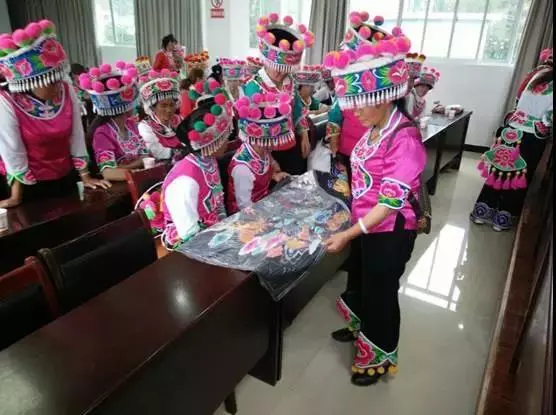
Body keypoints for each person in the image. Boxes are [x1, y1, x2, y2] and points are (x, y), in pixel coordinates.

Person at [323, 11, 424, 387]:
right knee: (363, 281)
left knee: (381, 294)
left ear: (384, 97)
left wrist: (347, 234)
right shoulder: (376, 127)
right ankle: (359, 326)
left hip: (389, 230)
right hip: (365, 225)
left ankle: (378, 355)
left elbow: (389, 204)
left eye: (362, 103)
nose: (356, 112)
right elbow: (363, 178)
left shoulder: (404, 138)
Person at [0, 19, 109, 208]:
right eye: (50, 81)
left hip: (65, 176)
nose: (58, 85)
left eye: (59, 78)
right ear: (32, 82)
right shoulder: (6, 101)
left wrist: (85, 177)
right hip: (29, 184)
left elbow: (76, 135)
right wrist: (16, 196)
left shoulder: (66, 90)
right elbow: (12, 151)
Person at [470, 48, 553, 231]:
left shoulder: (535, 73)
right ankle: (502, 219)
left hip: (513, 128)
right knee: (520, 176)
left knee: (500, 171)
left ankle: (482, 212)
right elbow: (550, 116)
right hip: (532, 133)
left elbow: (518, 99)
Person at [160, 79, 234, 249]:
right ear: (212, 143)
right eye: (224, 137)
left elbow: (218, 204)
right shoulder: (186, 181)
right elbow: (189, 235)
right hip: (189, 243)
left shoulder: (208, 161)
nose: (227, 141)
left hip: (214, 231)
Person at [242, 12, 315, 175]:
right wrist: (269, 160)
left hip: (292, 146)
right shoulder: (254, 86)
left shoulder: (290, 81)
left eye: (286, 70)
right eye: (278, 68)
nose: (282, 74)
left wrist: (304, 134)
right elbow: (251, 129)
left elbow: (297, 110)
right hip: (267, 152)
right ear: (267, 61)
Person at [80, 61, 148, 181]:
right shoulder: (102, 133)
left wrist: (125, 167)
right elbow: (109, 172)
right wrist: (137, 171)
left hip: (134, 178)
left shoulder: (131, 125)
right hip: (122, 185)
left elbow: (145, 156)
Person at [227, 92, 291, 213]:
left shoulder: (262, 150)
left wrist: (274, 176)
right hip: (247, 215)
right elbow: (244, 206)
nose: (275, 144)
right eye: (273, 140)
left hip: (264, 202)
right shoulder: (242, 168)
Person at [137, 69, 184, 164]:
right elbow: (157, 152)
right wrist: (184, 151)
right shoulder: (145, 126)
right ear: (153, 107)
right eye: (163, 105)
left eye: (172, 105)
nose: (169, 110)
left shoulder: (179, 119)